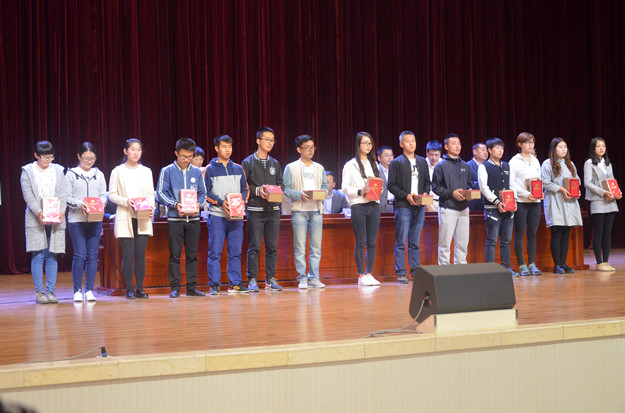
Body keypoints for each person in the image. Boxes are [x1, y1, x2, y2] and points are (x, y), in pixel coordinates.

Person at [156, 137, 207, 298]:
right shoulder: (167, 171)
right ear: (176, 153)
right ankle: (175, 288)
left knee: (192, 255)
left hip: (193, 220)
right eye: (183, 156)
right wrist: (175, 204)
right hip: (175, 219)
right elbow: (160, 193)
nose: (186, 160)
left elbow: (203, 193)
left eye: (190, 156)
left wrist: (198, 204)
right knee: (175, 255)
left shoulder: (197, 172)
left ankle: (192, 287)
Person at [20, 141, 66, 304]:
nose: (48, 160)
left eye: (50, 157)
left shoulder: (58, 170)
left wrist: (61, 211)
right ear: (36, 155)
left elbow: (63, 193)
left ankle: (51, 291)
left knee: (52, 253)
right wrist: (39, 212)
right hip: (36, 216)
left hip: (55, 216)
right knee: (38, 254)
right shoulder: (28, 171)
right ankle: (40, 292)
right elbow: (28, 195)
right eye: (44, 157)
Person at [109, 138, 154, 299]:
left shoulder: (146, 171)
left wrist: (151, 208)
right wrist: (125, 201)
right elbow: (112, 194)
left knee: (140, 254)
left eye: (138, 150)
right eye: (132, 149)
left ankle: (139, 288)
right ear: (125, 151)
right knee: (128, 254)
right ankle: (129, 289)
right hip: (125, 215)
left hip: (142, 216)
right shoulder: (117, 171)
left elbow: (150, 194)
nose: (136, 153)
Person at [204, 135, 250, 294]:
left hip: (236, 217)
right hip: (217, 216)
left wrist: (241, 201)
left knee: (235, 251)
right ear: (216, 148)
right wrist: (220, 202)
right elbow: (205, 192)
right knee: (215, 252)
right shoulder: (209, 169)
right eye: (224, 147)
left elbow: (246, 189)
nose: (227, 150)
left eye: (229, 146)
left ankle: (235, 284)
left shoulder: (238, 168)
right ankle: (214, 285)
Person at [241, 127, 284, 292]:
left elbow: (280, 184)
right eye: (267, 139)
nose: (270, 143)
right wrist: (259, 191)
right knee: (255, 247)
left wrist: (276, 191)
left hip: (273, 210)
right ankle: (252, 279)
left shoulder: (275, 163)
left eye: (272, 140)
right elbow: (244, 186)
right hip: (255, 210)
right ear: (258, 141)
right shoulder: (248, 162)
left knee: (272, 247)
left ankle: (270, 278)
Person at [283, 134, 328, 289]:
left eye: (312, 147)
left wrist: (321, 194)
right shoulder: (291, 167)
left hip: (316, 211)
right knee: (300, 247)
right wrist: (299, 195)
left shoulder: (319, 168)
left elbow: (325, 187)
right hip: (299, 211)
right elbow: (286, 189)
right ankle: (302, 278)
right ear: (299, 149)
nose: (311, 150)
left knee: (316, 248)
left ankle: (314, 277)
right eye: (307, 147)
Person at [66, 142, 107, 302]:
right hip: (77, 220)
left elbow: (103, 195)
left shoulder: (99, 174)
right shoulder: (71, 174)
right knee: (80, 254)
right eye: (85, 158)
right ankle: (77, 290)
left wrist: (100, 204)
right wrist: (80, 204)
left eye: (92, 158)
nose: (89, 161)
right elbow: (66, 197)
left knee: (93, 255)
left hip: (95, 219)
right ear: (78, 156)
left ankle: (89, 290)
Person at [388, 131, 431, 283]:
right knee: (401, 241)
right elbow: (391, 185)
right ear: (401, 144)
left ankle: (415, 272)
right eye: (407, 141)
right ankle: (401, 272)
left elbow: (427, 181)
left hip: (419, 206)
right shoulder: (396, 162)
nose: (411, 143)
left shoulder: (422, 161)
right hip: (403, 206)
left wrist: (424, 193)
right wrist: (406, 195)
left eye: (413, 140)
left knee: (415, 242)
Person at [342, 132, 382, 286]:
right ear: (358, 145)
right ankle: (361, 275)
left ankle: (369, 273)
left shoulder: (374, 163)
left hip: (374, 205)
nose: (368, 146)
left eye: (370, 143)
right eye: (365, 143)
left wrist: (379, 190)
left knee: (372, 242)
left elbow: (378, 182)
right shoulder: (350, 164)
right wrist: (360, 191)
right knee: (361, 241)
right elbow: (345, 187)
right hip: (358, 205)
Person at [541, 137, 583, 274]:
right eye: (560, 147)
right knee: (557, 232)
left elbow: (576, 181)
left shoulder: (570, 164)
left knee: (566, 232)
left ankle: (564, 264)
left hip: (569, 201)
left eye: (565, 147)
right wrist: (561, 189)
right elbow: (545, 182)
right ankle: (557, 265)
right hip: (555, 200)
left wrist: (577, 191)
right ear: (554, 149)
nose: (563, 149)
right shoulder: (547, 164)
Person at [477, 138, 518, 276]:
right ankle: (490, 270)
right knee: (492, 240)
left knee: (506, 240)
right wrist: (496, 202)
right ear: (489, 150)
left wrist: (514, 200)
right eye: (497, 148)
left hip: (508, 208)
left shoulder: (506, 166)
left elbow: (512, 184)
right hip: (492, 209)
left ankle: (506, 267)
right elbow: (484, 187)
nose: (500, 150)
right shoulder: (484, 166)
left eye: (502, 148)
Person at [432, 134, 472, 265]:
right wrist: (452, 193)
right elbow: (435, 187)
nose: (457, 146)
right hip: (447, 207)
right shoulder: (441, 165)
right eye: (454, 143)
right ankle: (444, 269)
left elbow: (469, 185)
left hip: (464, 209)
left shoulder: (465, 166)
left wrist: (469, 193)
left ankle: (461, 268)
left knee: (462, 243)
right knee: (445, 243)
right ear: (446, 146)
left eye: (459, 143)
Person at [584, 137, 620, 272]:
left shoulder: (608, 163)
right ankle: (599, 263)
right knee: (598, 232)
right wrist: (603, 192)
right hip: (598, 201)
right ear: (593, 148)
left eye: (603, 146)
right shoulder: (589, 163)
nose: (601, 149)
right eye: (598, 146)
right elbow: (587, 183)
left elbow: (612, 181)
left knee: (607, 232)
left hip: (610, 201)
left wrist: (617, 192)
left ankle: (606, 261)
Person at [509, 132, 543, 276]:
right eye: (527, 142)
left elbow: (538, 180)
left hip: (535, 201)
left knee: (532, 233)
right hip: (521, 201)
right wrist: (524, 193)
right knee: (520, 233)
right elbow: (511, 183)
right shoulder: (514, 161)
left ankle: (532, 263)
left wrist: (538, 193)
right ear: (520, 144)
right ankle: (521, 264)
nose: (531, 145)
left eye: (532, 142)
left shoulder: (535, 161)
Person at [467, 142, 488, 211]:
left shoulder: (488, 166)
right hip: (474, 203)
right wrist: (483, 184)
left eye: (486, 151)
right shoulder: (467, 166)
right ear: (475, 152)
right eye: (483, 150)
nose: (485, 153)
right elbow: (466, 183)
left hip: (487, 202)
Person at [425, 140, 442, 213]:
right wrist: (427, 205)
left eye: (436, 155)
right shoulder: (423, 165)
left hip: (442, 202)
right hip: (428, 202)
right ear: (426, 153)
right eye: (431, 155)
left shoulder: (444, 165)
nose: (434, 158)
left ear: (440, 154)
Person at [377, 146, 395, 213]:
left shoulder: (396, 171)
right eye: (386, 155)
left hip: (395, 206)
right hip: (380, 207)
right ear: (379, 158)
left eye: (391, 155)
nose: (390, 158)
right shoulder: (375, 171)